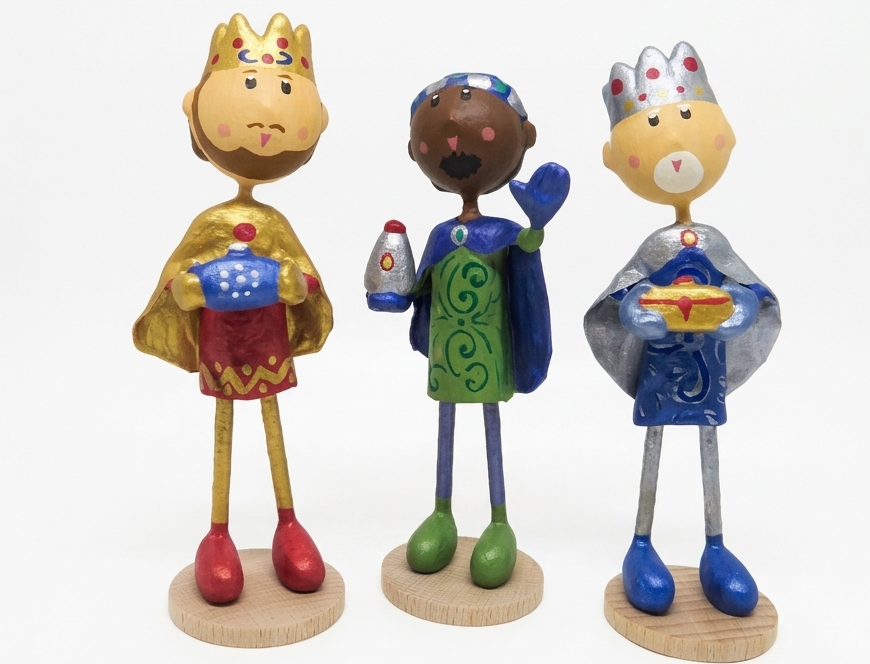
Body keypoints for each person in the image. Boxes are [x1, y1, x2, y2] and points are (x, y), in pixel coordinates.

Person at [133, 13, 332, 603]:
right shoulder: (212, 223)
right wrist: (186, 290)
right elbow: (175, 277)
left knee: (273, 431)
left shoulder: (274, 224)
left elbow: (308, 277)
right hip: (223, 348)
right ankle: (217, 532)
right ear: (196, 109)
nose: (266, 118)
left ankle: (288, 523)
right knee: (223, 432)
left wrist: (296, 286)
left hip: (267, 344)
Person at [584, 43, 781, 616]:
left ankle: (715, 545)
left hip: (706, 366)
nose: (673, 150)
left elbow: (752, 292)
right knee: (655, 446)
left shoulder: (712, 242)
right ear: (616, 159)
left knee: (707, 447)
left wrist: (739, 309)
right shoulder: (657, 247)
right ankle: (642, 542)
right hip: (661, 368)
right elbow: (618, 297)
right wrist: (636, 314)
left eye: (687, 119)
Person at [367, 73, 569, 588]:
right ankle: (442, 512)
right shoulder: (440, 235)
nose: (455, 132)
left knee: (490, 428)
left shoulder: (502, 233)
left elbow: (526, 252)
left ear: (522, 138)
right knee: (446, 430)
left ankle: (499, 521)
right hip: (446, 358)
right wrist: (394, 294)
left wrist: (537, 225)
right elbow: (421, 286)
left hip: (490, 355)